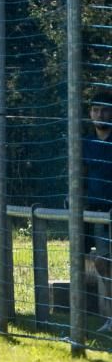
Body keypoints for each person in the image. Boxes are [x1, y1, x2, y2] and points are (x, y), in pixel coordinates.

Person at [84, 89, 112, 334]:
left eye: (104, 109)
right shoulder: (86, 143)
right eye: (95, 109)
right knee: (102, 263)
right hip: (97, 214)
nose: (99, 114)